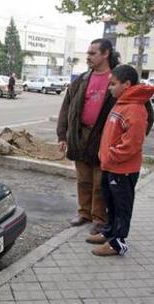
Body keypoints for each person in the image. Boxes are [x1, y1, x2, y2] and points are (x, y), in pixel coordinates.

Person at [87, 65, 154, 256]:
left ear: (127, 84)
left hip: (122, 169)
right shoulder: (121, 102)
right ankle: (108, 233)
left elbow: (132, 144)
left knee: (121, 206)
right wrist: (104, 154)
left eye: (113, 84)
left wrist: (110, 155)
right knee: (110, 202)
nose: (109, 88)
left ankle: (117, 244)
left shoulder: (134, 108)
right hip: (110, 166)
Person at [57, 39, 119, 235]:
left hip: (104, 137)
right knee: (83, 179)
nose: (88, 57)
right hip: (80, 136)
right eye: (88, 53)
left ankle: (99, 218)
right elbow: (66, 107)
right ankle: (84, 213)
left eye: (92, 53)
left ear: (106, 53)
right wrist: (62, 135)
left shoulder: (118, 79)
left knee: (101, 182)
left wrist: (130, 140)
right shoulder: (82, 79)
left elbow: (143, 111)